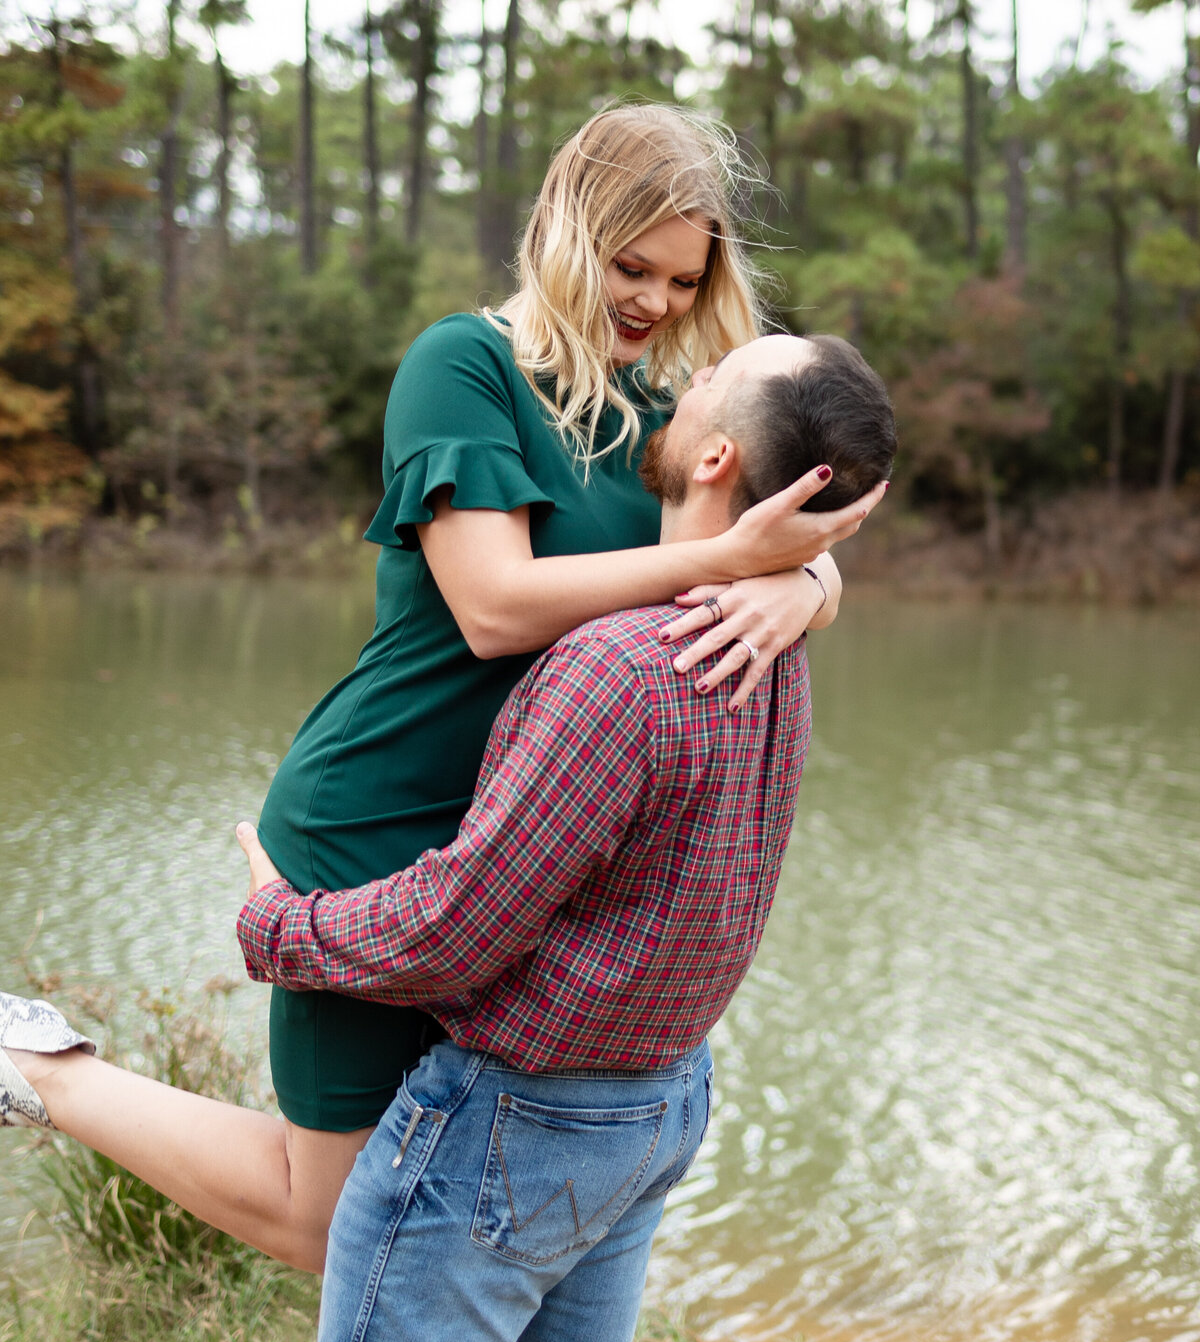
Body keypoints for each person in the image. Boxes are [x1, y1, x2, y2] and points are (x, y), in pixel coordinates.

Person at [0, 105, 884, 1272]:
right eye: (632, 266)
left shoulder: (664, 419)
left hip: (515, 865)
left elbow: (776, 500)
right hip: (375, 822)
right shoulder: (463, 367)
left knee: (435, 1198)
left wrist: (810, 582)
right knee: (331, 1223)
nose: (656, 302)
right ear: (567, 226)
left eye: (681, 278)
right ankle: (37, 1070)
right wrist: (734, 567)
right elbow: (494, 606)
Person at [225, 328, 896, 1342]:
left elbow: (451, 930)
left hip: (517, 1128)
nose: (687, 367)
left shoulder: (617, 668)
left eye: (721, 372)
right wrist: (807, 575)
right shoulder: (760, 644)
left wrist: (278, 921)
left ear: (717, 456)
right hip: (654, 1107)